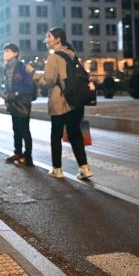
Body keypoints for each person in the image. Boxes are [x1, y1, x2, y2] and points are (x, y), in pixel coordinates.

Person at [26, 27, 94, 180]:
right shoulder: (72, 53)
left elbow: (47, 81)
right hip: (77, 101)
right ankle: (85, 168)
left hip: (60, 102)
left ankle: (57, 169)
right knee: (76, 134)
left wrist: (33, 74)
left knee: (55, 136)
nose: (46, 39)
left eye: (49, 36)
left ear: (57, 39)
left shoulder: (54, 57)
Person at [1, 43, 36, 167]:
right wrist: (5, 94)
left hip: (23, 102)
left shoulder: (22, 67)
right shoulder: (5, 68)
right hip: (12, 102)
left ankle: (28, 157)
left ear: (15, 53)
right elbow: (7, 85)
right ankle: (18, 153)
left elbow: (28, 87)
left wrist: (14, 94)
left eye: (8, 51)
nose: (5, 53)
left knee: (24, 130)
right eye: (4, 51)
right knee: (16, 129)